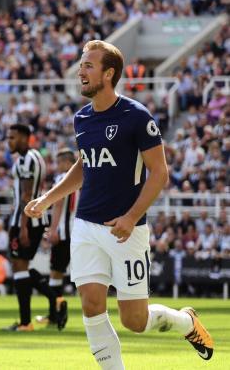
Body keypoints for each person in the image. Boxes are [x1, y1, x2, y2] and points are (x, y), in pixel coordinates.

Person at [25, 40, 213, 369]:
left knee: (134, 321)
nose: (80, 71)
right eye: (81, 64)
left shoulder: (136, 116)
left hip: (126, 230)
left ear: (108, 74)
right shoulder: (82, 118)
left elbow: (160, 173)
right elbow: (84, 167)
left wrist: (131, 216)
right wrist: (47, 198)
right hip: (85, 226)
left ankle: (186, 322)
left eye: (88, 65)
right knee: (91, 306)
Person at [4, 124, 65, 332]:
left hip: (26, 221)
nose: (8, 141)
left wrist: (22, 227)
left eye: (12, 137)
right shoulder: (32, 158)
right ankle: (51, 301)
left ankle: (25, 322)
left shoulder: (28, 159)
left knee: (19, 267)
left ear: (23, 137)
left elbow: (26, 196)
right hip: (31, 220)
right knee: (21, 267)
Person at [36, 148, 79, 329]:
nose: (58, 165)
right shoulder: (84, 176)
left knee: (56, 273)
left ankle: (57, 312)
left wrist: (53, 229)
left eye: (59, 162)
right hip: (80, 233)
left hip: (63, 233)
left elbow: (59, 204)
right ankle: (57, 312)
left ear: (67, 162)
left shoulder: (63, 178)